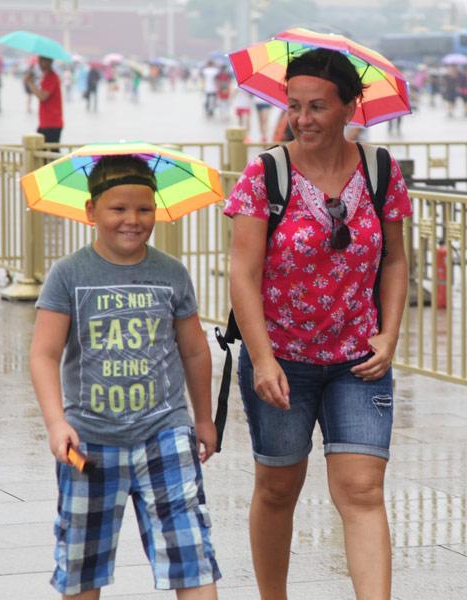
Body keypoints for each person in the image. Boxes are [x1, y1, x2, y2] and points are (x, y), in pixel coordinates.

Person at [225, 48, 410, 600]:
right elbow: (243, 272)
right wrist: (261, 359)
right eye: (294, 105)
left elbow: (397, 260)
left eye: (318, 106)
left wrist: (390, 333)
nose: (302, 119)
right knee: (278, 488)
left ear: (352, 106)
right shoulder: (266, 173)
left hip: (360, 360)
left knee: (362, 490)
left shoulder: (380, 169)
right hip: (281, 361)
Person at [30, 154, 221, 599]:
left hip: (165, 433)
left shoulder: (171, 272)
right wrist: (57, 423)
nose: (132, 221)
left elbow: (194, 351)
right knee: (82, 561)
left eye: (144, 209)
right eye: (119, 209)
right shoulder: (68, 274)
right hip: (90, 439)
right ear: (91, 211)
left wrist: (205, 419)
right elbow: (43, 354)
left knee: (191, 553)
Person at [25, 55, 64, 143]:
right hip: (45, 122)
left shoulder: (52, 77)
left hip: (52, 123)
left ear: (49, 62)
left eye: (42, 61)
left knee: (49, 153)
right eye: (39, 61)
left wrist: (30, 83)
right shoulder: (46, 77)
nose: (39, 64)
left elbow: (43, 96)